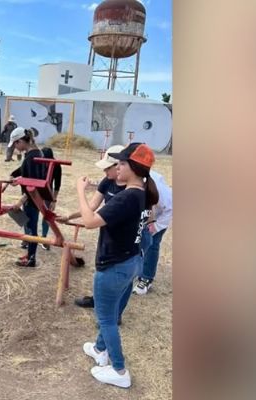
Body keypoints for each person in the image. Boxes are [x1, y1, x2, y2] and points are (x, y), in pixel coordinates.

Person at [76, 142, 158, 388]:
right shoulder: (143, 192)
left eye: (121, 163)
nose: (117, 168)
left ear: (132, 167)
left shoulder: (127, 198)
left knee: (106, 319)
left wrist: (80, 190)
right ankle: (101, 349)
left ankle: (120, 370)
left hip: (114, 266)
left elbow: (90, 221)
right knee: (110, 313)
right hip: (131, 260)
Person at [57, 145, 126, 308]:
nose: (105, 173)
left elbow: (90, 222)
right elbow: (92, 205)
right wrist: (69, 216)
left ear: (120, 166)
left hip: (123, 238)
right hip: (107, 234)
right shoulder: (108, 182)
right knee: (101, 269)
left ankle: (114, 311)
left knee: (118, 275)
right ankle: (97, 299)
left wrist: (81, 190)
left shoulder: (130, 190)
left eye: (107, 168)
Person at [6, 127, 52, 267]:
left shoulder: (32, 157)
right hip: (32, 198)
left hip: (32, 198)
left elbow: (34, 183)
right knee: (28, 225)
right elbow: (23, 170)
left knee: (31, 228)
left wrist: (20, 201)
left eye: (15, 144)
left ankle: (31, 259)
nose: (15, 147)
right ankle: (30, 254)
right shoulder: (33, 154)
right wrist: (14, 176)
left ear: (20, 141)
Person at [132, 170, 172, 295]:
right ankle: (136, 271)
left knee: (152, 244)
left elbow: (170, 208)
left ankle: (146, 278)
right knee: (138, 241)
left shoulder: (161, 193)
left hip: (160, 216)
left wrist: (155, 225)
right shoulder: (131, 180)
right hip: (144, 213)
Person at [39, 147, 62, 250]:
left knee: (47, 215)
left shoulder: (56, 165)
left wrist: (54, 200)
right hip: (34, 189)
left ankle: (43, 238)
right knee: (31, 214)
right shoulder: (37, 162)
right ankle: (28, 238)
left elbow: (57, 184)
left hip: (47, 191)